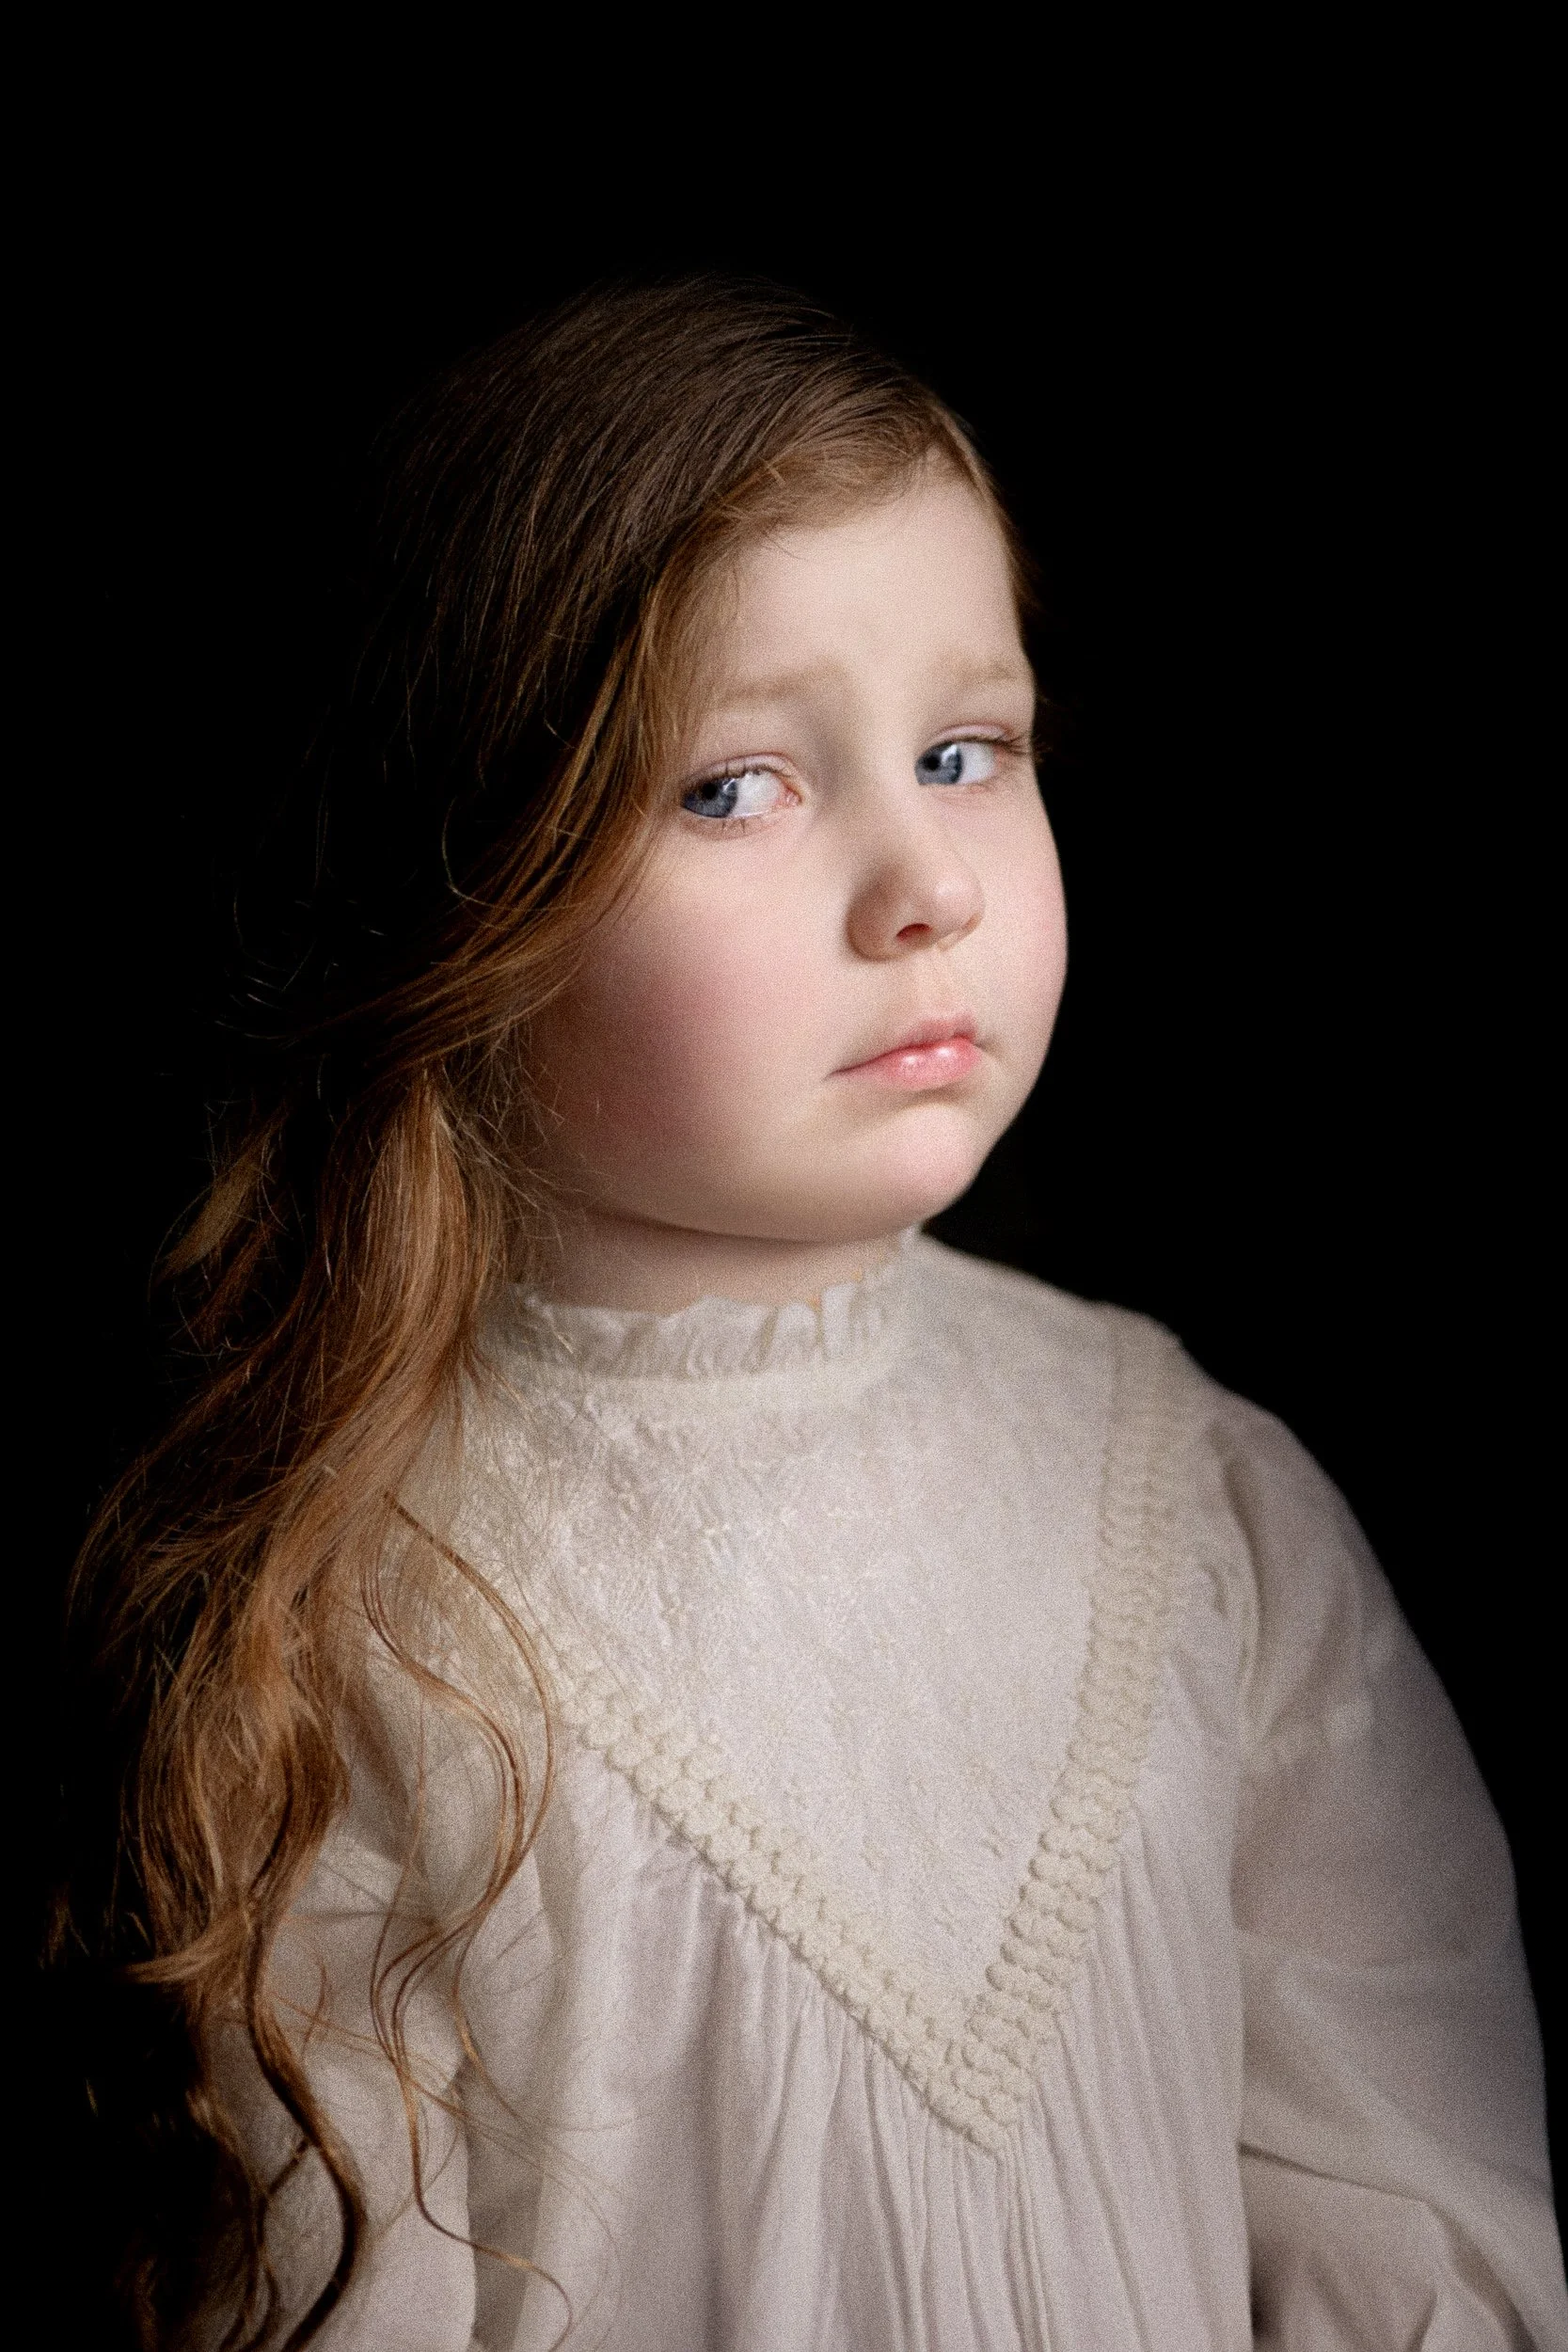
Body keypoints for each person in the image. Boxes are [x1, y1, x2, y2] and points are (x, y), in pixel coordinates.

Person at [57, 278, 1565, 2350]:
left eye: (965, 750)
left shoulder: (1188, 1493)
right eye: (734, 787)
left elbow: (1411, 2202)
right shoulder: (338, 1595)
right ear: (469, 892)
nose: (919, 881)